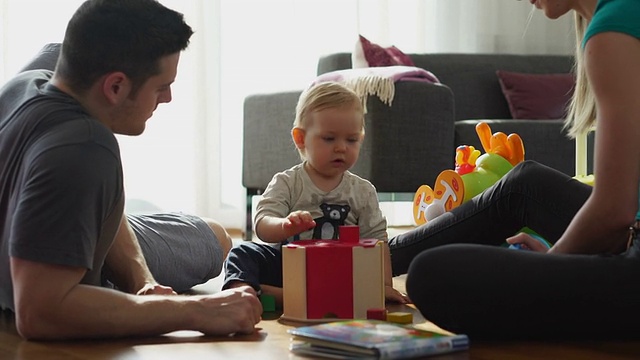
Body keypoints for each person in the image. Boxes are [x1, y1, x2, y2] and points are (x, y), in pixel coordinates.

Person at [0, 0, 261, 340]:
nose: (167, 98)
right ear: (116, 86)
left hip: (37, 228)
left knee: (209, 234)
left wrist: (144, 283)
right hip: (39, 285)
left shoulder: (31, 79)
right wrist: (197, 311)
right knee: (216, 240)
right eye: (161, 86)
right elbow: (39, 313)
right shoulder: (85, 147)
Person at [388, 0, 640, 340]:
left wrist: (550, 263)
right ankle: (373, 259)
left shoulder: (614, 30)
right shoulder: (622, 12)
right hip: (631, 231)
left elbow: (613, 213)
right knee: (525, 182)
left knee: (431, 275)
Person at [223, 81, 408, 307]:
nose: (341, 147)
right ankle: (243, 292)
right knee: (242, 251)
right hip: (291, 268)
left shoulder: (362, 191)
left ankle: (282, 295)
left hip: (340, 271)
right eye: (329, 139)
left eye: (351, 139)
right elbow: (262, 224)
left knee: (362, 265)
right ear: (301, 139)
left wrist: (383, 286)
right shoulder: (287, 182)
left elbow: (378, 242)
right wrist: (285, 225)